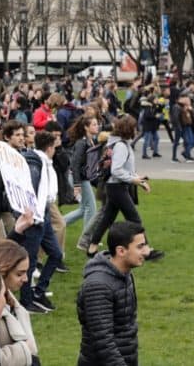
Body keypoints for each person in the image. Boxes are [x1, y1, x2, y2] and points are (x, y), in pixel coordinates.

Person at [86, 115, 163, 262]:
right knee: (135, 219)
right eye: (134, 127)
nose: (136, 129)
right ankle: (146, 250)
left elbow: (127, 169)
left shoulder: (122, 144)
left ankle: (92, 247)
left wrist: (140, 181)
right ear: (128, 129)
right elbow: (116, 170)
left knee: (107, 218)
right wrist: (134, 179)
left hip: (116, 186)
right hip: (117, 187)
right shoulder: (121, 146)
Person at [77, 221, 150, 366]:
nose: (146, 251)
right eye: (140, 246)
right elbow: (103, 341)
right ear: (121, 251)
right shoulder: (98, 286)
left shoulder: (125, 274)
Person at [16, 131, 65, 314]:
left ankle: (39, 291)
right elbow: (32, 191)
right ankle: (26, 300)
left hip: (42, 216)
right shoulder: (36, 164)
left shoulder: (43, 162)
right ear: (50, 147)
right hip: (35, 218)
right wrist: (32, 217)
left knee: (56, 254)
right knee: (30, 259)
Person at [0, 238, 40, 366]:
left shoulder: (10, 301)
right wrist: (23, 352)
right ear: (1, 271)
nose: (26, 279)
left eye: (26, 272)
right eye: (19, 274)